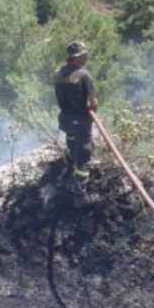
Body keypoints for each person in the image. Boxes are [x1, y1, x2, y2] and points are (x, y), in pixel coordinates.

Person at [53, 40, 98, 204]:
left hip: (64, 118)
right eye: (83, 55)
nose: (85, 58)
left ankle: (66, 177)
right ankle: (79, 195)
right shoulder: (83, 75)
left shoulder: (58, 73)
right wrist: (91, 109)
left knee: (71, 144)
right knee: (84, 155)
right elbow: (93, 101)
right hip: (79, 120)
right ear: (75, 57)